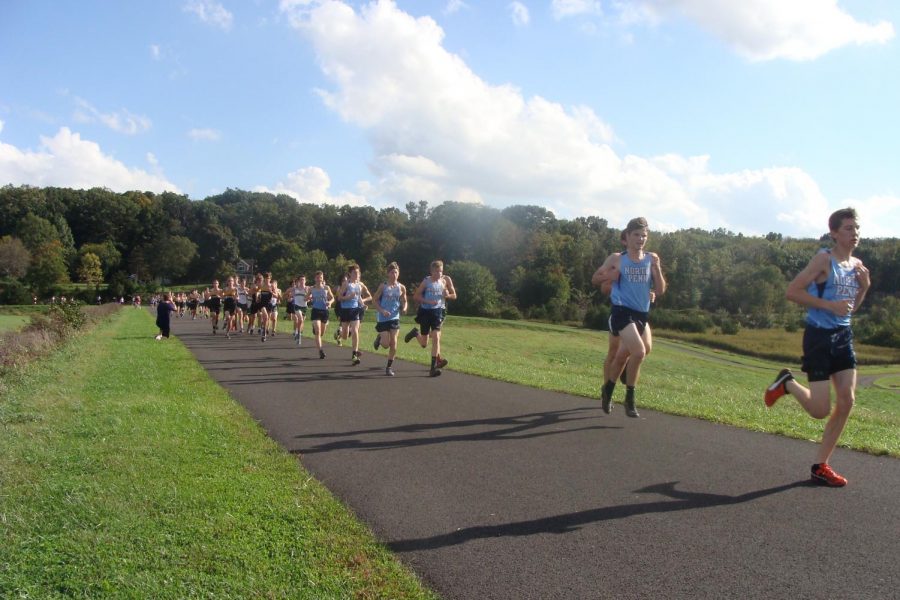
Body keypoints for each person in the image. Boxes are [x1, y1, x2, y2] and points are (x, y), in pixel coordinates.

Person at [764, 208, 870, 487]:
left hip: (843, 337)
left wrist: (864, 288)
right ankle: (788, 384)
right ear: (834, 233)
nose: (854, 233)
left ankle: (820, 465)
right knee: (820, 410)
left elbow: (848, 311)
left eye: (856, 228)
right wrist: (829, 305)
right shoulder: (824, 260)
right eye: (848, 228)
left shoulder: (857, 266)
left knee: (847, 401)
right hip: (819, 338)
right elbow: (792, 291)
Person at [592, 217, 666, 418]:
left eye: (644, 235)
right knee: (639, 352)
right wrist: (610, 276)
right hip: (622, 312)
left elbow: (660, 290)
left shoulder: (651, 259)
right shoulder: (617, 258)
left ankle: (608, 390)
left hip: (641, 314)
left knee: (625, 355)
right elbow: (596, 278)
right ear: (627, 236)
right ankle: (630, 399)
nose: (640, 239)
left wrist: (657, 270)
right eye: (636, 235)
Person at [404, 260, 458, 377]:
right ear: (431, 271)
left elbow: (454, 295)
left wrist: (447, 295)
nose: (439, 274)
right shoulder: (426, 281)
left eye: (441, 271)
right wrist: (427, 301)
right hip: (425, 312)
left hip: (438, 312)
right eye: (436, 271)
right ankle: (415, 333)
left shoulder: (444, 280)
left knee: (436, 337)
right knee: (424, 343)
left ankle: (433, 368)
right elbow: (416, 296)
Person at [371, 262, 408, 376]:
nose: (394, 274)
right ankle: (380, 338)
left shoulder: (401, 287)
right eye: (392, 272)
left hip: (395, 317)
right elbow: (374, 300)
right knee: (386, 344)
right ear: (388, 274)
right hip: (383, 317)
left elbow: (404, 300)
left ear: (398, 273)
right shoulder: (383, 286)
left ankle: (389, 367)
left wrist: (405, 308)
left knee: (394, 343)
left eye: (396, 272)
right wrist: (382, 310)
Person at [338, 264, 373, 366]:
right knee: (345, 336)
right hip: (345, 311)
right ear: (350, 274)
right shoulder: (346, 284)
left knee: (355, 331)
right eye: (355, 273)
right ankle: (339, 333)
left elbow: (370, 296)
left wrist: (363, 303)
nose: (357, 274)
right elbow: (339, 298)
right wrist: (348, 297)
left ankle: (354, 355)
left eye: (358, 273)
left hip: (355, 310)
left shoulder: (360, 285)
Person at [309, 271, 335, 359]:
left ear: (323, 278)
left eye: (321, 277)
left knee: (322, 333)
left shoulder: (327, 287)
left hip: (324, 311)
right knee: (318, 331)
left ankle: (316, 329)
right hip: (315, 311)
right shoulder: (311, 288)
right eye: (318, 277)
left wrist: (330, 302)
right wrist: (308, 298)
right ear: (315, 278)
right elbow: (306, 298)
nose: (319, 279)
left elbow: (332, 298)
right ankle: (320, 351)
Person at [289, 275, 310, 347]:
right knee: (300, 319)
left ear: (305, 281)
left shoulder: (307, 288)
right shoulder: (295, 288)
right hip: (297, 306)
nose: (302, 281)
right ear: (298, 281)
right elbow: (290, 294)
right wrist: (289, 296)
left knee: (301, 321)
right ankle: (299, 335)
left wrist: (308, 297)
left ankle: (298, 333)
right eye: (301, 280)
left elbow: (310, 298)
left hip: (304, 307)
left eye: (303, 280)